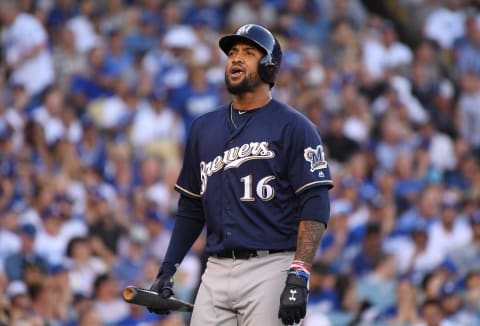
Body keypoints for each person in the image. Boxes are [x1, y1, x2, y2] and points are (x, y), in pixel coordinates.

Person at [148, 23, 333, 326]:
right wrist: (168, 269)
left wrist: (299, 273)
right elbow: (192, 207)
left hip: (271, 266)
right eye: (232, 52)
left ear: (269, 65)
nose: (235, 58)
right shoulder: (203, 128)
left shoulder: (296, 127)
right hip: (216, 269)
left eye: (248, 52)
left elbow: (315, 201)